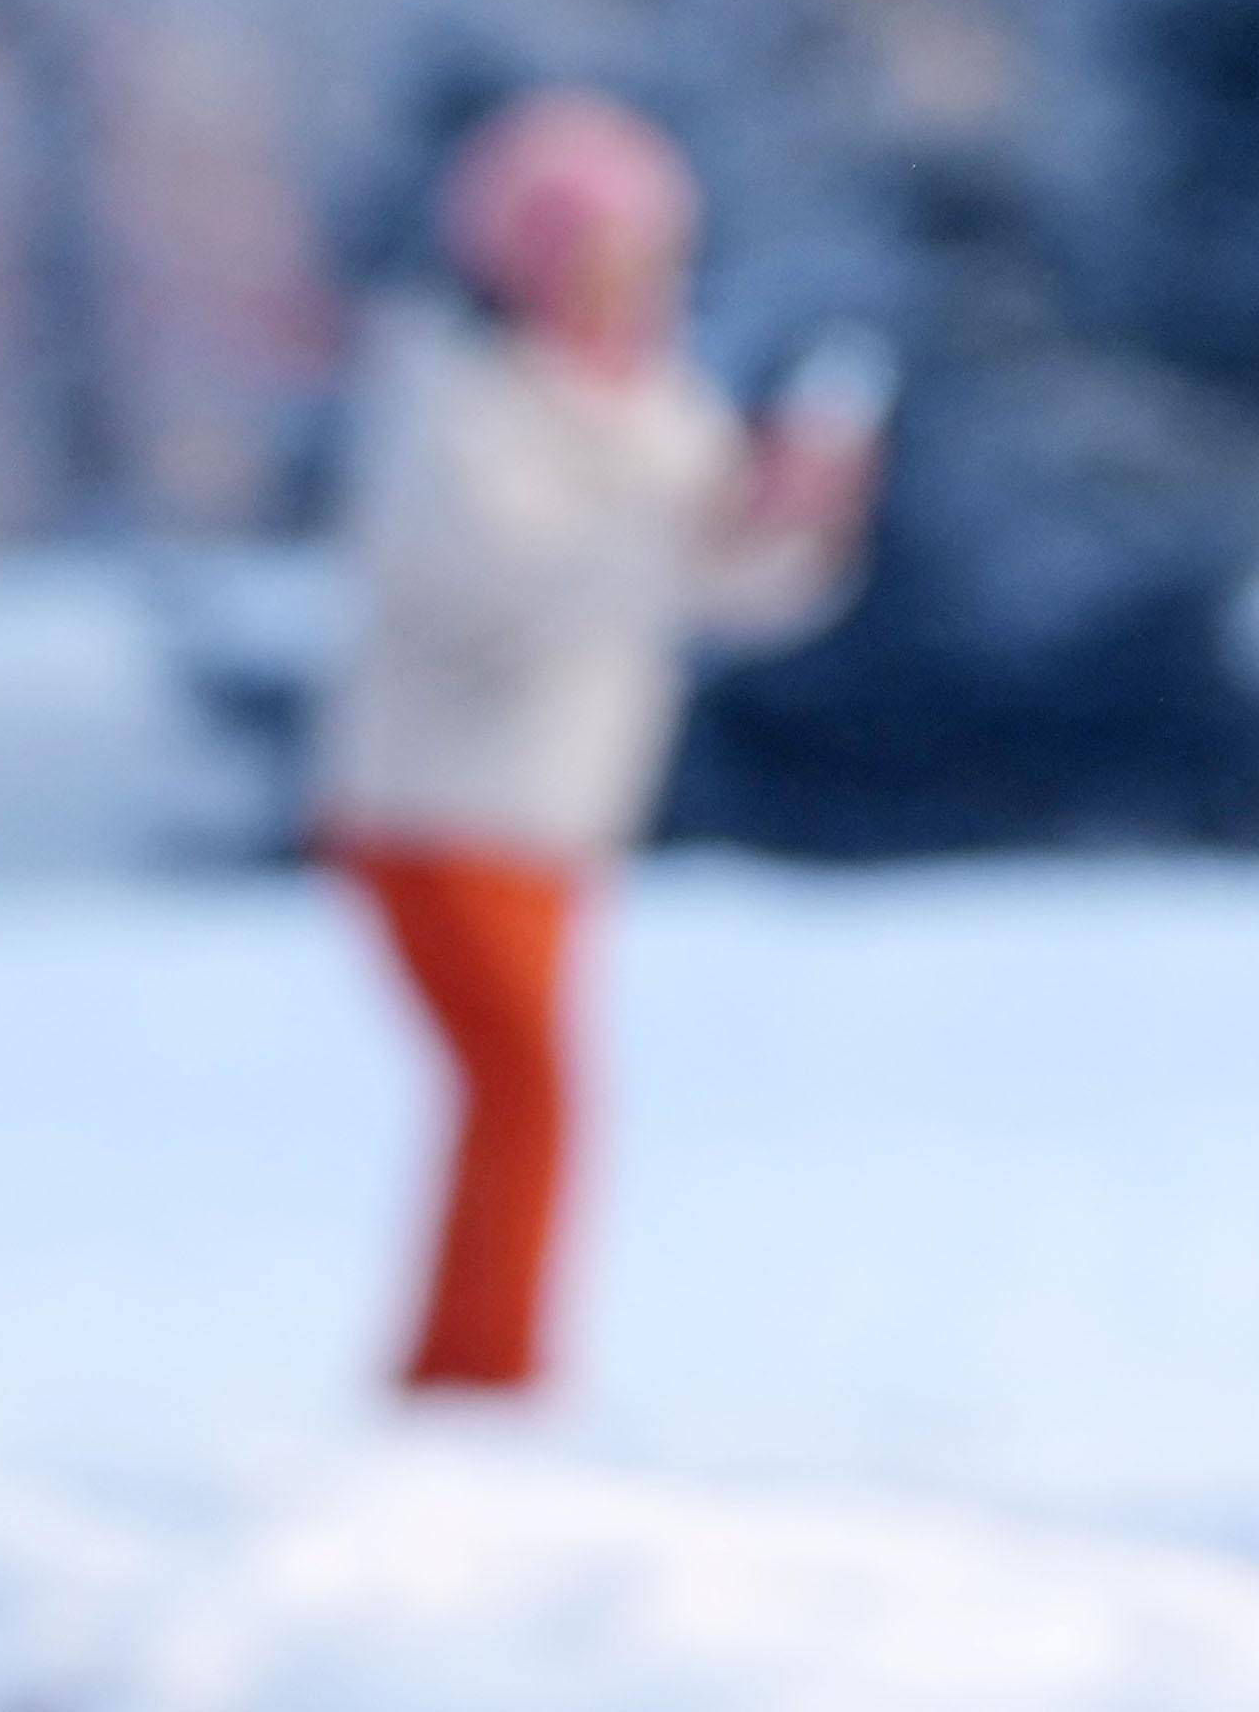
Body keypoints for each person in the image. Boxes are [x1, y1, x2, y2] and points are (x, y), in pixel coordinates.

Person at [317, 89, 876, 1400]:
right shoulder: (459, 402)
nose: (629, 286)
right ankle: (473, 1381)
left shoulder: (655, 408)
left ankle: (479, 1374)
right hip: (433, 812)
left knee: (528, 1098)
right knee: (529, 1092)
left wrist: (801, 519)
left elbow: (730, 593)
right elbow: (502, 583)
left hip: (558, 819)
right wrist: (697, 534)